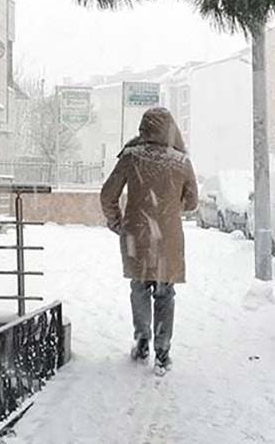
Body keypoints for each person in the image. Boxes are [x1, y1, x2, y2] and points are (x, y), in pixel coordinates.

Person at [100, 107, 198, 375]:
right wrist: (169, 204)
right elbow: (191, 203)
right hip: (167, 239)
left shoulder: (131, 156)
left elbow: (107, 194)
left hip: (138, 236)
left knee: (140, 288)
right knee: (165, 293)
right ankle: (163, 351)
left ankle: (142, 339)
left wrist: (117, 222)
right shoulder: (180, 162)